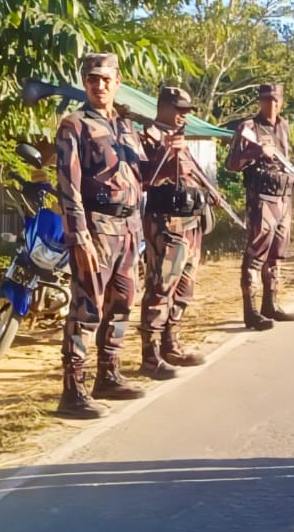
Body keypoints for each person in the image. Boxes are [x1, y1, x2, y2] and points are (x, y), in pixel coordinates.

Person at [53, 52, 149, 419]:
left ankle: (108, 374)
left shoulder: (127, 126)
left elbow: (141, 176)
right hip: (96, 227)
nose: (99, 85)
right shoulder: (75, 125)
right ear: (84, 82)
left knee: (123, 302)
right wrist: (79, 236)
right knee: (86, 307)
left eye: (106, 79)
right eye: (92, 79)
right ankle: (73, 390)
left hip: (129, 228)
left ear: (117, 82)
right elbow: (68, 186)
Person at [137, 86, 208, 378]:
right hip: (166, 223)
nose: (183, 116)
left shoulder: (181, 138)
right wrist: (168, 153)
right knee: (160, 287)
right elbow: (144, 178)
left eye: (186, 111)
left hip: (189, 222)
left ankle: (171, 344)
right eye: (179, 110)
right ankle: (150, 354)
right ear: (164, 107)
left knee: (183, 289)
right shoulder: (148, 136)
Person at [225, 83, 294, 330]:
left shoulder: (284, 126)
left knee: (277, 254)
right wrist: (256, 152)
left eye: (275, 100)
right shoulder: (249, 128)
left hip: (283, 197)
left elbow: (287, 161)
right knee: (256, 253)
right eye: (267, 99)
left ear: (281, 102)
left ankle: (270, 303)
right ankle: (250, 311)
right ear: (260, 101)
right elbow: (231, 164)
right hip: (261, 198)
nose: (271, 104)